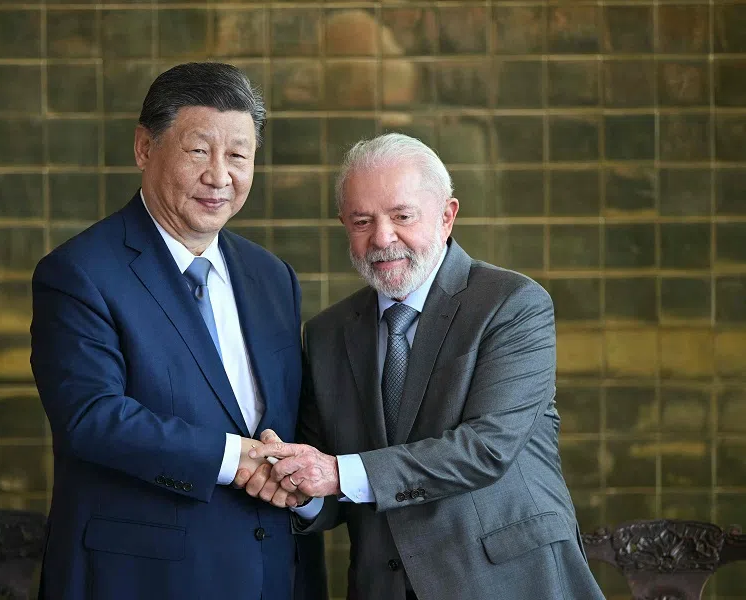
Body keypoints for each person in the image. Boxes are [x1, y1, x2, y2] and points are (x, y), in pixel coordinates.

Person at [244, 133, 606, 600]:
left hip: (506, 581)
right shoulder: (327, 334)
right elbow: (331, 479)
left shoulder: (512, 305)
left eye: (402, 216)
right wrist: (298, 484)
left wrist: (335, 473)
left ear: (447, 216)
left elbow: (486, 448)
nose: (382, 237)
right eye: (362, 220)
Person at [30, 62, 325, 600]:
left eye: (238, 155)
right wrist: (238, 459)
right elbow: (91, 417)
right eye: (198, 151)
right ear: (145, 148)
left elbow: (291, 418)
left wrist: (306, 479)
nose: (220, 176)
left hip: (272, 573)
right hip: (145, 579)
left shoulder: (271, 277)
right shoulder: (78, 273)